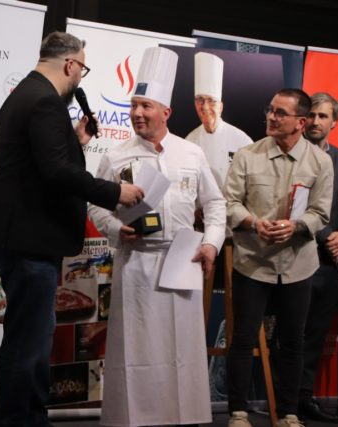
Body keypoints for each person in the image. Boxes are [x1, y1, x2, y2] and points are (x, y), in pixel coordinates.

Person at [0, 31, 144, 427]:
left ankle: (31, 418)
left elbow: (38, 163)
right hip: (30, 240)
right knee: (26, 346)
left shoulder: (26, 94)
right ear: (70, 65)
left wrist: (74, 141)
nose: (80, 78)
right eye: (82, 69)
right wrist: (115, 192)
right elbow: (55, 172)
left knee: (33, 341)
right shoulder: (45, 102)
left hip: (23, 238)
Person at [88, 46, 226, 427]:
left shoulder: (190, 154)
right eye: (133, 105)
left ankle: (181, 420)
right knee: (135, 349)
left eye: (145, 106)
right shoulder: (116, 156)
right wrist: (115, 228)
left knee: (182, 350)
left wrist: (211, 243)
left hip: (182, 261)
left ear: (166, 112)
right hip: (135, 262)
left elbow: (215, 204)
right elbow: (95, 206)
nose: (137, 113)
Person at [224, 88, 334, 427]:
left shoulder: (320, 162)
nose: (271, 117)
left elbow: (321, 212)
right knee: (243, 339)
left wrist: (296, 226)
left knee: (292, 342)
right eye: (270, 110)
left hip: (298, 264)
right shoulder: (247, 155)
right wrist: (254, 223)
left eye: (280, 113)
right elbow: (229, 203)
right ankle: (238, 412)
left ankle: (288, 413)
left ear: (301, 122)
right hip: (252, 262)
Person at [297, 92, 338, 423]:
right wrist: (326, 236)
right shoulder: (295, 152)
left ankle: (304, 398)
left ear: (335, 122)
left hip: (331, 261)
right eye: (313, 115)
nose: (316, 122)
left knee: (317, 332)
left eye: (323, 116)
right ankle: (284, 400)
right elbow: (298, 203)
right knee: (293, 331)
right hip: (301, 252)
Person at [186, 52, 252, 188]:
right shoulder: (189, 142)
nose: (205, 107)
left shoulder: (242, 140)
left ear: (220, 107)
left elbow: (252, 181)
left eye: (211, 100)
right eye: (200, 100)